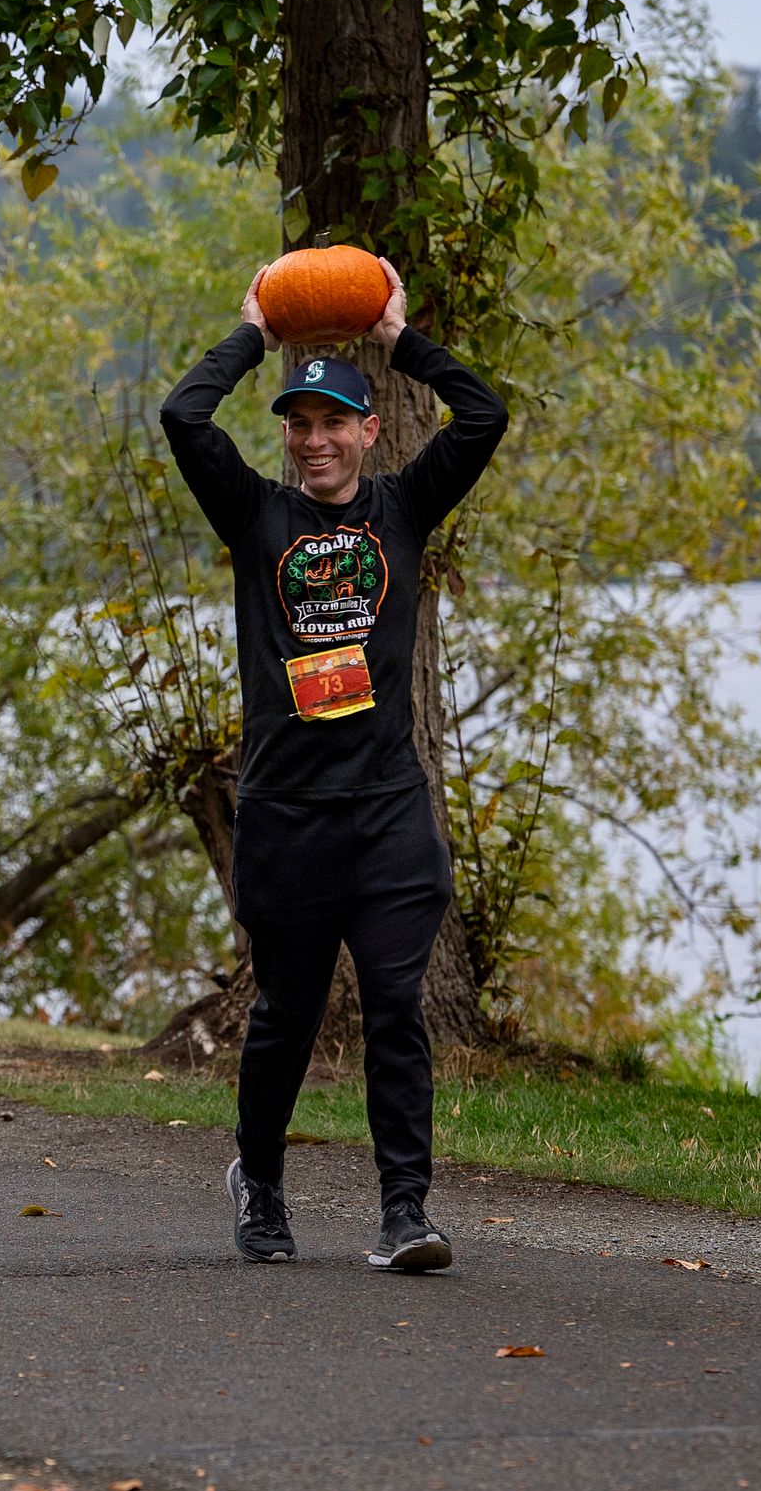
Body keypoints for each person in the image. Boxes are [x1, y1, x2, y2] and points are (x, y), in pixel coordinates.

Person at [159, 259, 508, 1274]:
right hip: (288, 813)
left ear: (368, 429)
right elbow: (184, 417)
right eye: (297, 425)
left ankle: (406, 1212)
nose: (314, 441)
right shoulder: (254, 517)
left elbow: (481, 414)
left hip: (388, 810)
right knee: (287, 1016)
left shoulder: (403, 507)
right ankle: (257, 1179)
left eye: (333, 423)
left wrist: (400, 342)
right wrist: (253, 335)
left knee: (396, 1003)